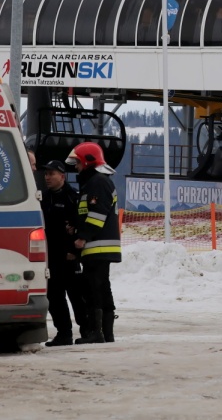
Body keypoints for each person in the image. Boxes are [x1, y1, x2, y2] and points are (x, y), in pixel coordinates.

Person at [66, 142, 121, 344]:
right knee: (100, 287)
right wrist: (76, 228)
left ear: (88, 161)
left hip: (99, 245)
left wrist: (83, 236)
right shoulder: (94, 182)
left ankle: (97, 333)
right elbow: (87, 213)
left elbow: (98, 214)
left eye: (78, 163)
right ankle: (105, 333)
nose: (76, 167)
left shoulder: (98, 181)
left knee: (94, 288)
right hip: (97, 245)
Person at [40, 160, 88, 347]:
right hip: (50, 257)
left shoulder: (72, 197)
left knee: (76, 296)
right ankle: (64, 333)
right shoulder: (43, 198)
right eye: (46, 174)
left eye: (51, 174)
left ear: (62, 176)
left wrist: (74, 252)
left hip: (68, 256)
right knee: (54, 296)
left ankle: (87, 330)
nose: (47, 177)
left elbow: (80, 226)